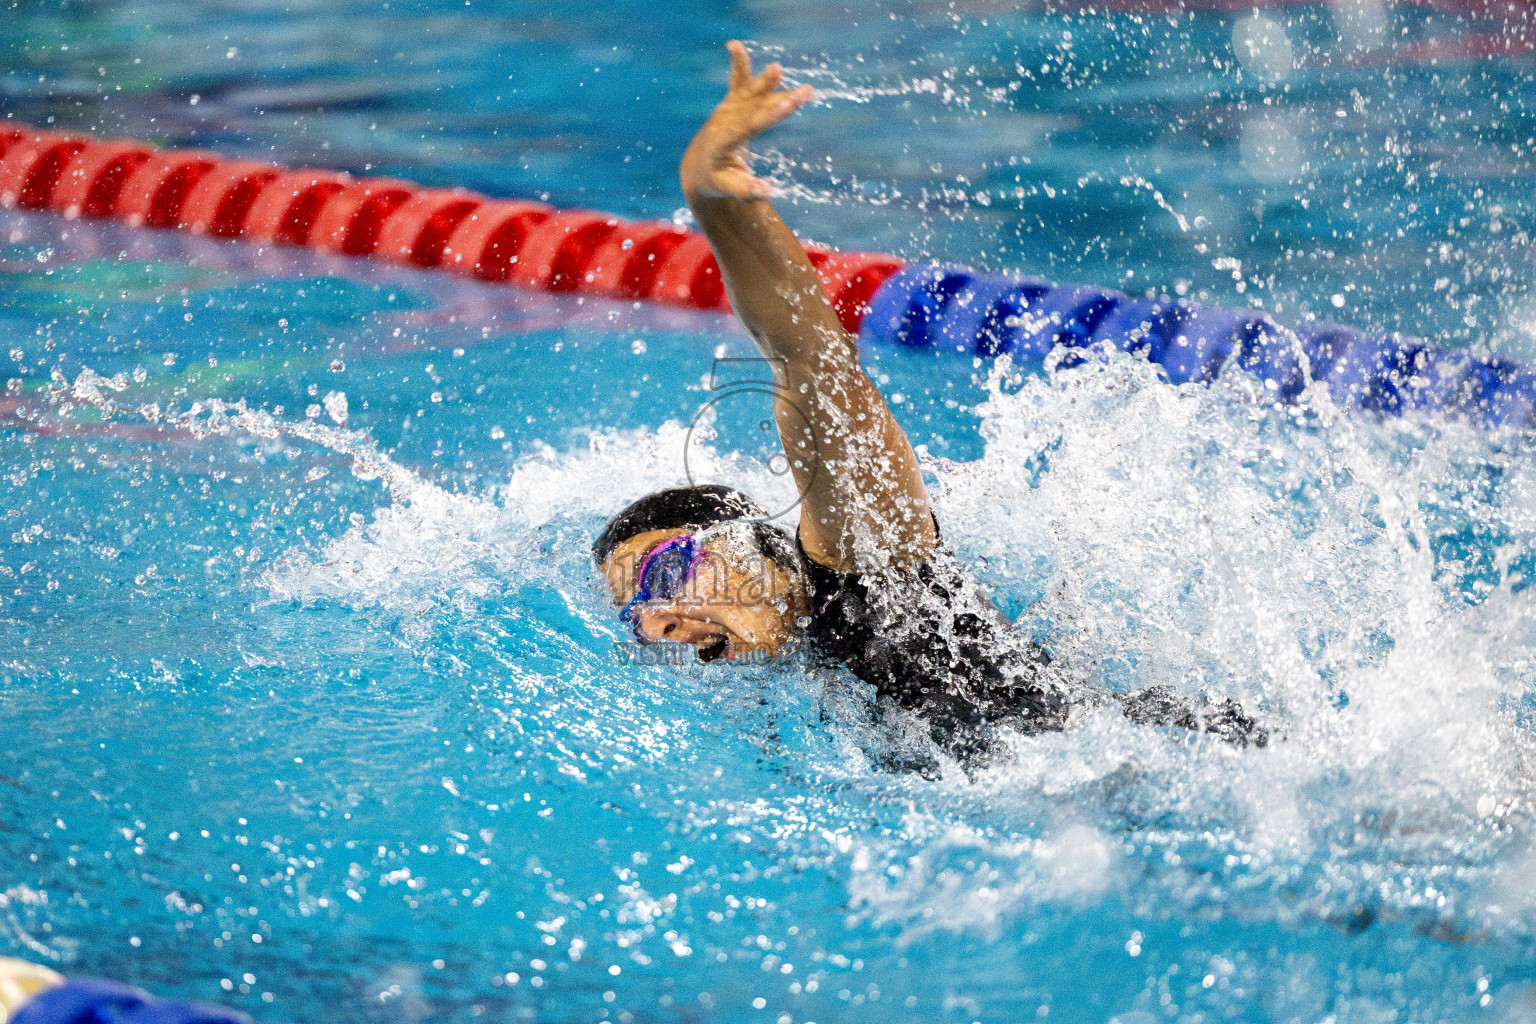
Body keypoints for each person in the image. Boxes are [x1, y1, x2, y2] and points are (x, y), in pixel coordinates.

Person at [595, 42, 1265, 768]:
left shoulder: (864, 572)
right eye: (639, 614)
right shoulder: (802, 687)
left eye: (663, 573)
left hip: (1185, 755)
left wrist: (717, 205)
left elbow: (815, 365)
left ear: (750, 541)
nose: (660, 620)